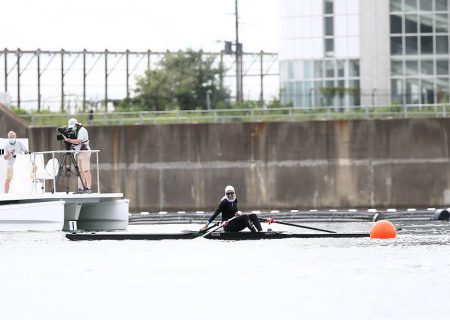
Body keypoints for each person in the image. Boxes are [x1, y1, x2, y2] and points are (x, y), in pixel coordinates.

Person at [62, 118, 92, 193]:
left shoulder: (82, 130)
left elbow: (78, 141)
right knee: (80, 171)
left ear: (77, 124)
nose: (72, 128)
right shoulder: (75, 130)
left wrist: (68, 140)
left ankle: (89, 188)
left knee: (86, 170)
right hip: (78, 152)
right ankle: (81, 188)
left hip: (84, 151)